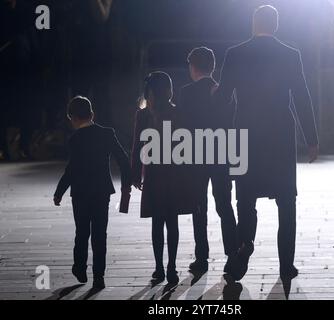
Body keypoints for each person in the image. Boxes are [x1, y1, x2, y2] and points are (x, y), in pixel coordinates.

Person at [214, 5, 319, 288]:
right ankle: (286, 266)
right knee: (286, 204)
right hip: (279, 139)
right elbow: (301, 97)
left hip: (244, 137)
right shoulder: (290, 54)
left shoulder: (234, 54)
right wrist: (311, 138)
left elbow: (223, 98)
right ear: (275, 25)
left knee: (245, 201)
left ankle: (244, 246)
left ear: (253, 24)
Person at [53, 96, 132, 289]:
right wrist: (126, 184)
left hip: (80, 193)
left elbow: (71, 170)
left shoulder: (74, 139)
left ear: (72, 118)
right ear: (92, 114)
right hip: (101, 191)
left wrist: (59, 191)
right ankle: (99, 276)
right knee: (99, 233)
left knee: (82, 232)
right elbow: (123, 159)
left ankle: (80, 268)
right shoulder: (107, 134)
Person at [131, 72, 197, 285]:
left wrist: (134, 174)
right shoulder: (180, 113)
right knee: (172, 222)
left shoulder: (143, 115)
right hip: (175, 174)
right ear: (169, 91)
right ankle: (172, 268)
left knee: (157, 222)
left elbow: (137, 147)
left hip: (153, 174)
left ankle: (159, 267)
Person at [178, 47, 238, 274]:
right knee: (224, 204)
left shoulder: (186, 93)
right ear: (213, 67)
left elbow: (182, 127)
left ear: (192, 67)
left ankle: (201, 257)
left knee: (198, 207)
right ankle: (232, 254)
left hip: (196, 156)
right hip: (220, 153)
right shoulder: (225, 91)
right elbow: (232, 123)